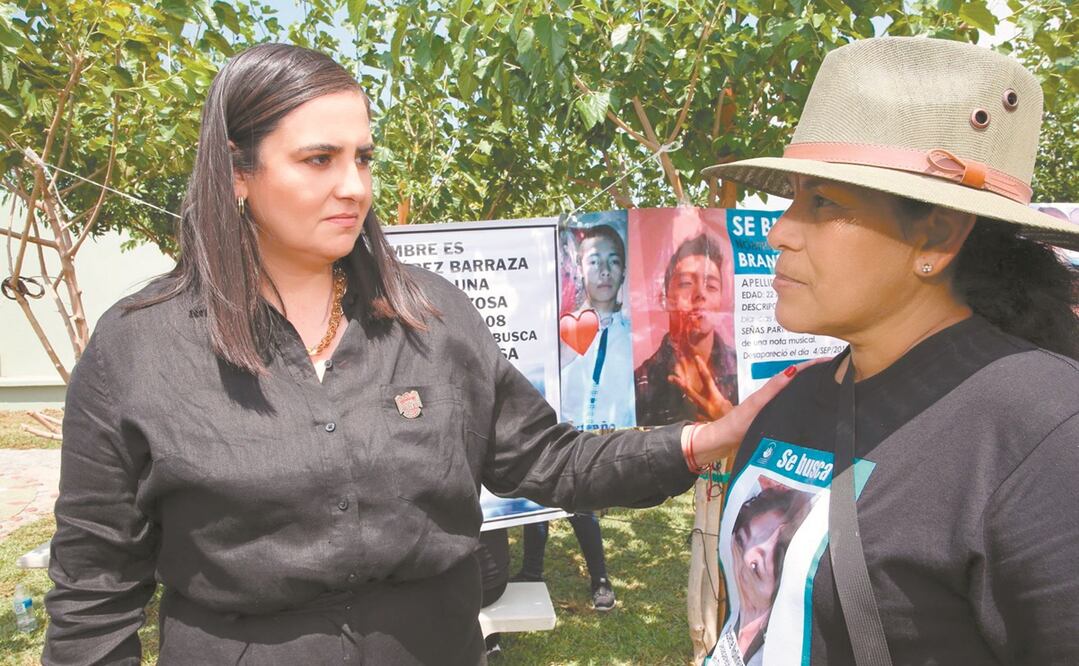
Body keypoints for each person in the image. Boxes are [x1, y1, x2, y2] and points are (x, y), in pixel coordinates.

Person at [41, 44, 804, 665]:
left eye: (363, 158)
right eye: (318, 160)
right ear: (238, 174)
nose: (354, 187)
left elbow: (548, 463)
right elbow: (94, 586)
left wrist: (704, 441)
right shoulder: (140, 348)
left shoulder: (429, 318)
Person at [702, 37, 1079, 664]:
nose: (779, 231)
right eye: (792, 197)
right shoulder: (797, 399)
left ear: (937, 233)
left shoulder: (1042, 434)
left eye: (823, 203)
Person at [635, 233, 738, 426]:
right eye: (686, 284)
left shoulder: (742, 371)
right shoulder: (641, 382)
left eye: (712, 286)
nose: (700, 294)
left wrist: (731, 424)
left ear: (722, 300)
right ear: (664, 299)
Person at [560, 224, 636, 429]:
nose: (605, 272)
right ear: (579, 269)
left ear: (623, 272)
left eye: (614, 262)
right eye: (594, 261)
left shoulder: (635, 338)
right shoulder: (560, 334)